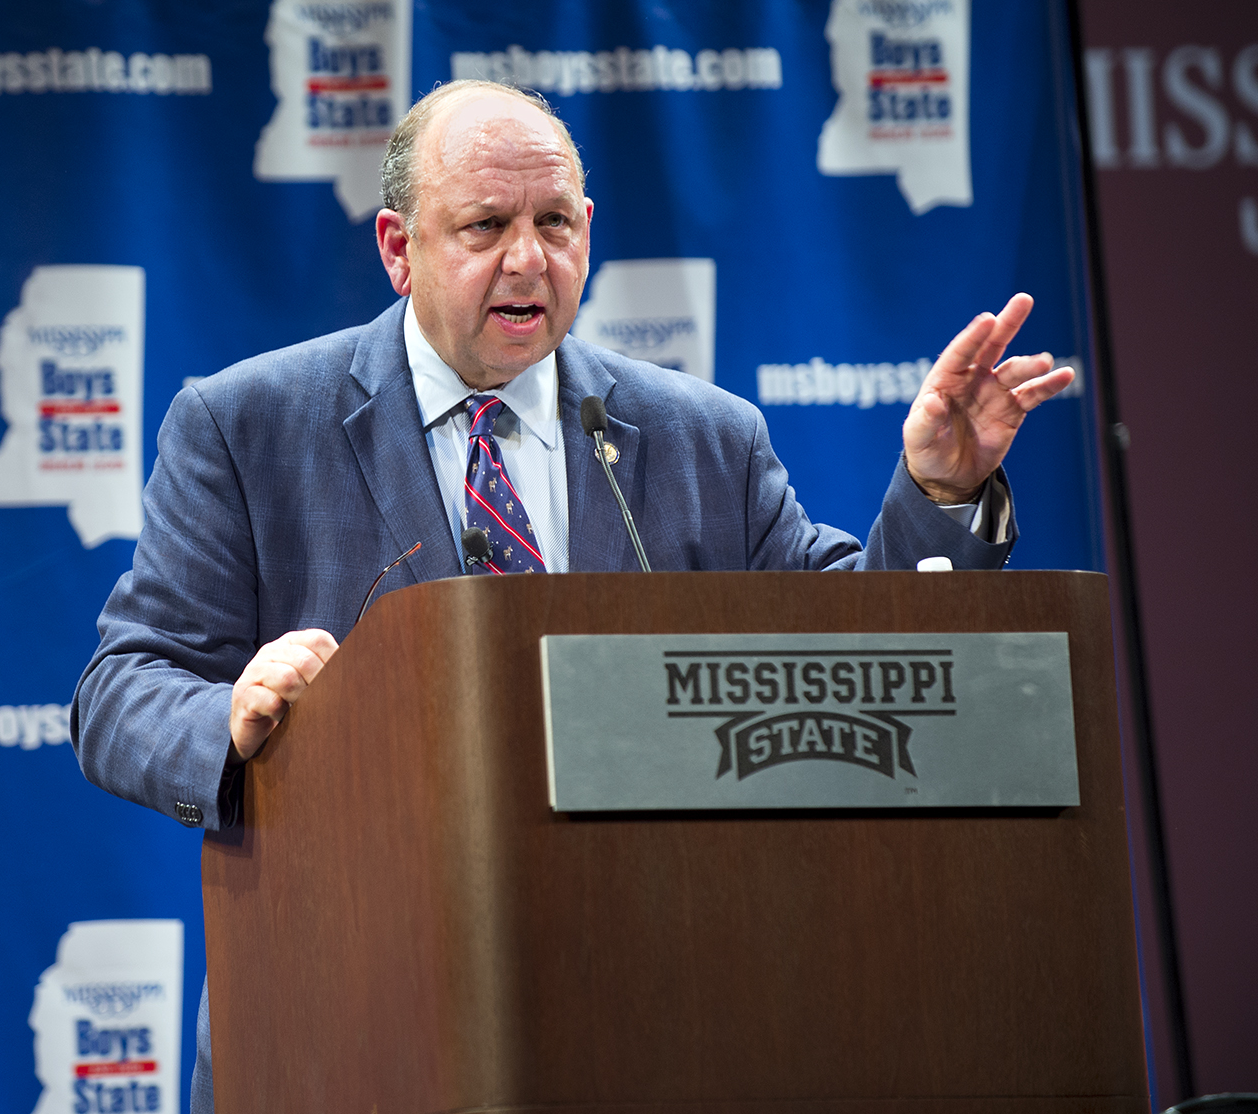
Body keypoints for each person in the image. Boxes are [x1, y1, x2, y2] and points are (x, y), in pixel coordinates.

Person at [70, 79, 1074, 1110]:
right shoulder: (249, 428)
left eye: (553, 223)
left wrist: (941, 489)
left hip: (647, 1019)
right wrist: (232, 711)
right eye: (485, 226)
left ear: (587, 231)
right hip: (352, 1016)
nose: (527, 259)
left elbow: (850, 644)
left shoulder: (702, 437)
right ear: (398, 248)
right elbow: (119, 692)